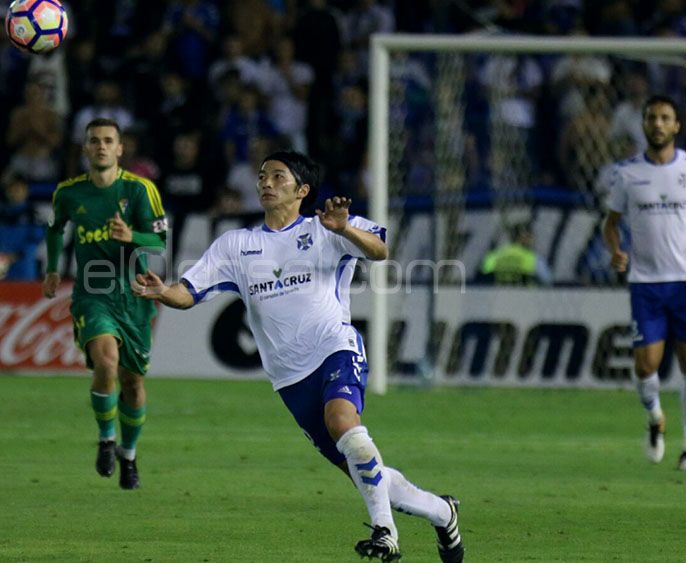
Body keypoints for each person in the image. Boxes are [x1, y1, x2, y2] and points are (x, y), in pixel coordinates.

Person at [132, 150, 463, 562]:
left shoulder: (326, 227)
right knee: (365, 472)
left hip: (334, 347)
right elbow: (188, 292)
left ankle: (385, 534)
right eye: (262, 176)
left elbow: (380, 250)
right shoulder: (237, 245)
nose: (266, 183)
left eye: (277, 176)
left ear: (302, 190)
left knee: (344, 424)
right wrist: (163, 291)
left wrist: (345, 231)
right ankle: (442, 512)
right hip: (289, 379)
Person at [602, 95, 686, 473]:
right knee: (646, 365)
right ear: (643, 125)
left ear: (677, 126)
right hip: (646, 283)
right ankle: (655, 417)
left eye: (665, 118)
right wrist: (615, 251)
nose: (658, 123)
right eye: (652, 118)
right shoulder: (626, 173)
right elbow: (611, 222)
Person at [43, 118, 168, 490]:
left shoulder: (141, 190)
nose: (100, 146)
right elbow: (53, 228)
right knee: (106, 361)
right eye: (94, 140)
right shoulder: (68, 193)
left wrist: (132, 235)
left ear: (119, 149)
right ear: (85, 148)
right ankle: (105, 439)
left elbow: (159, 243)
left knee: (132, 383)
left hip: (134, 296)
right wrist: (52, 269)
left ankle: (128, 455)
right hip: (92, 295)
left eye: (108, 140)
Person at [478, 222, 552, 286]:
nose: (532, 240)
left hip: (497, 299)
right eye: (529, 236)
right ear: (521, 237)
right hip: (526, 299)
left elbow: (481, 280)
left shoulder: (493, 256)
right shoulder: (533, 258)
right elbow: (548, 281)